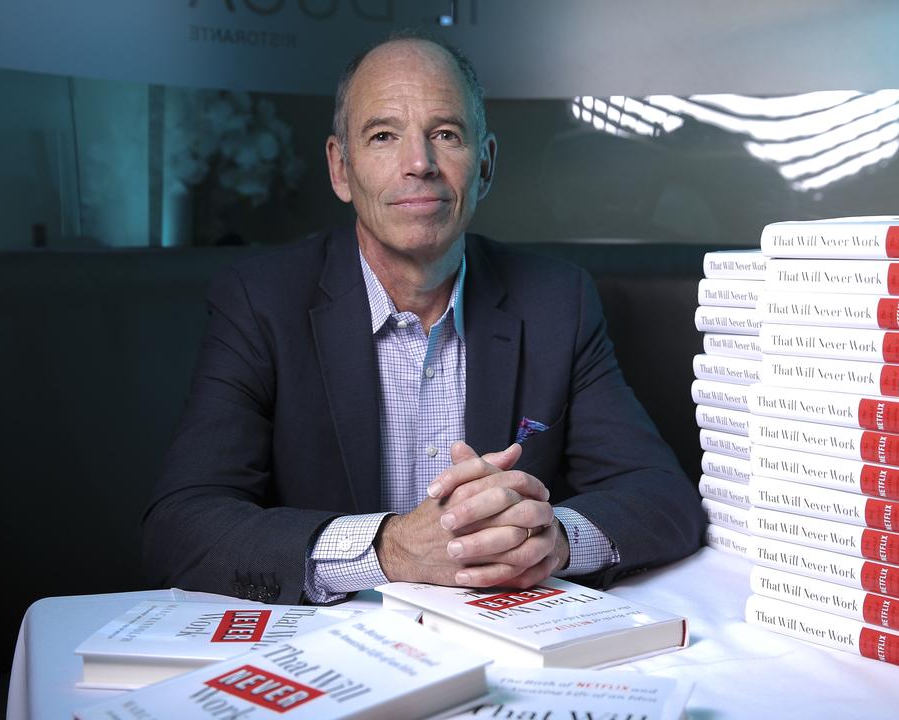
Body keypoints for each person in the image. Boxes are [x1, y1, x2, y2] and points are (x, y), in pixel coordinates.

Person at [143, 34, 704, 604]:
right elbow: (183, 524)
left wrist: (553, 540)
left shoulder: (558, 300)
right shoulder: (259, 301)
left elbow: (662, 496)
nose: (419, 164)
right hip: (330, 643)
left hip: (499, 637)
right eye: (384, 136)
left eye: (445, 134)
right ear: (341, 169)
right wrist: (389, 549)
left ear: (483, 166)